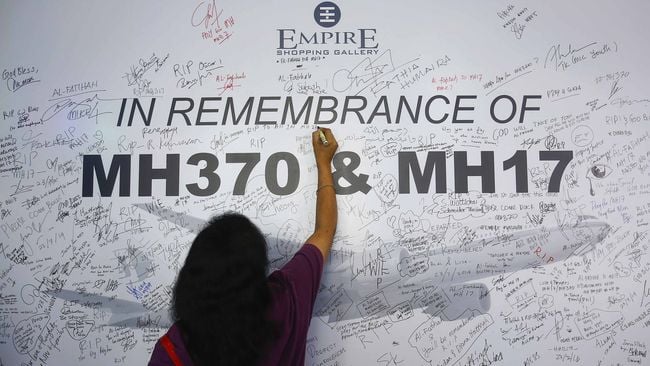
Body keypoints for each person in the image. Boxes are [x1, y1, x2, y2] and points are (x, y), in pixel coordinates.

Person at [148, 128, 339, 366]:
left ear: (191, 277)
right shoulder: (286, 301)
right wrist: (323, 162)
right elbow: (324, 232)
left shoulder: (173, 350)